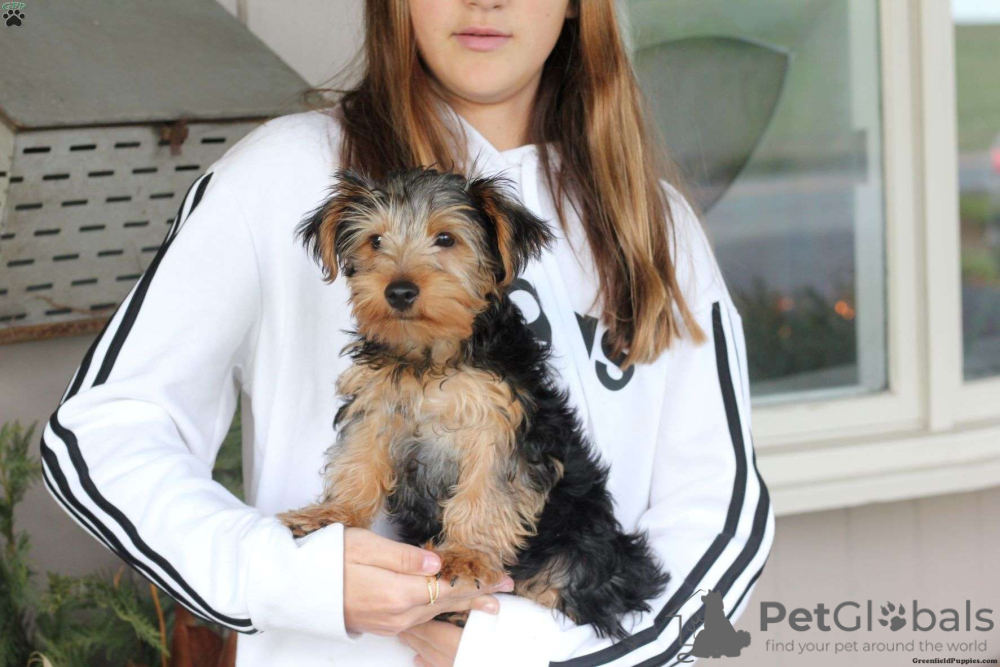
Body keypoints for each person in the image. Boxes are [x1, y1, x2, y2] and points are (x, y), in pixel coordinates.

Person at [40, 1, 774, 665]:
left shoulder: (654, 222)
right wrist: (290, 577)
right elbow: (103, 431)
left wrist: (536, 655)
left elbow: (715, 508)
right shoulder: (277, 175)